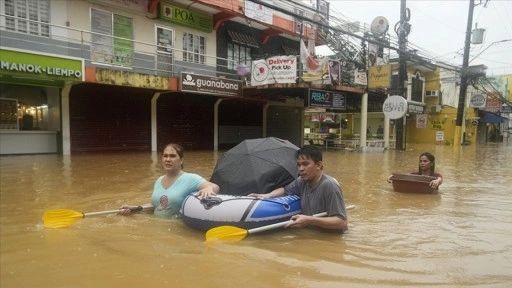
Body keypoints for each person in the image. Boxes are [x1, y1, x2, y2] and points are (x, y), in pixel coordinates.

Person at [249, 145, 348, 232]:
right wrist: (267, 195)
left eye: (305, 164)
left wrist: (310, 220)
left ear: (318, 165)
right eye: (299, 165)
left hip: (330, 239)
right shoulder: (301, 181)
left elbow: (341, 222)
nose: (301, 169)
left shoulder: (329, 186)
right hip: (311, 235)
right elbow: (285, 190)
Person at [119, 143, 220, 218]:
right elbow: (156, 206)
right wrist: (134, 209)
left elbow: (215, 187)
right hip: (156, 229)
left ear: (181, 160)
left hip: (177, 230)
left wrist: (208, 188)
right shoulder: (159, 180)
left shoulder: (190, 178)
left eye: (172, 156)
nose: (168, 159)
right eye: (165, 156)